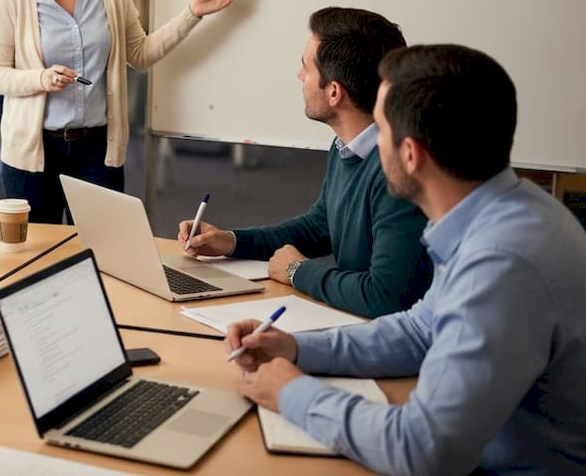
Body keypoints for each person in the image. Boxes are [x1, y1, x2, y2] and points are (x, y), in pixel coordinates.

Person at [228, 45, 586, 475]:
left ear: (411, 155)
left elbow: (421, 450)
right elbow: (421, 331)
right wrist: (295, 348)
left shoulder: (501, 263)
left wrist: (293, 394)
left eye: (380, 129)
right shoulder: (505, 210)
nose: (373, 143)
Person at [0, 0, 244, 223]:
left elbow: (140, 53)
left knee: (100, 253)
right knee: (35, 260)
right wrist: (40, 78)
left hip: (97, 150)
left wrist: (192, 12)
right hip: (32, 153)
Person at [179, 7, 431, 318]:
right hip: (355, 320)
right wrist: (230, 242)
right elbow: (319, 227)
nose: (299, 76)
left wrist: (298, 270)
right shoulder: (347, 147)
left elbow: (385, 296)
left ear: (334, 92)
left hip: (388, 338)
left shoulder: (399, 171)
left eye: (306, 68)